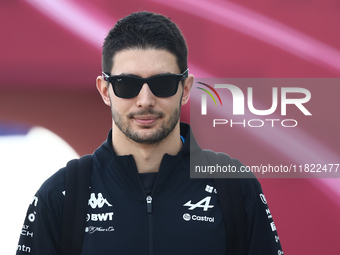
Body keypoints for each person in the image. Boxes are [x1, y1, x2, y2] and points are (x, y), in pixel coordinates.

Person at [17, 11, 283, 255]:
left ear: (186, 88)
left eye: (163, 83)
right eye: (126, 84)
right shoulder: (61, 195)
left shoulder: (234, 187)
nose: (145, 100)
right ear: (104, 90)